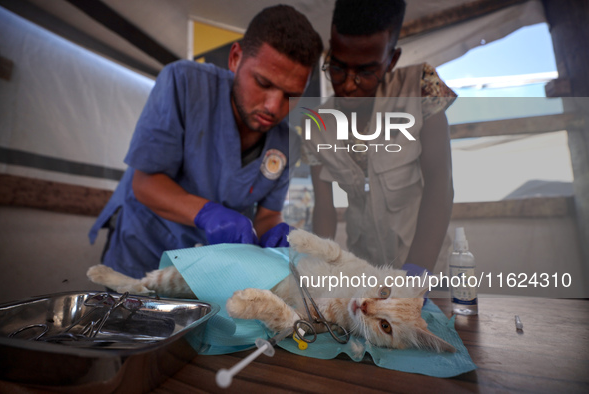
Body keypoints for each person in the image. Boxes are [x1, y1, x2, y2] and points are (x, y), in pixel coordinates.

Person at [89, 5, 323, 278]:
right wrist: (207, 213)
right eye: (262, 82)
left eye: (291, 95)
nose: (273, 106)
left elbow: (268, 215)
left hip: (207, 268)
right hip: (144, 249)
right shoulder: (184, 84)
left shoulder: (287, 142)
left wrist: (277, 233)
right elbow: (144, 183)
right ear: (235, 58)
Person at [304, 0, 456, 275]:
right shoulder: (317, 124)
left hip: (426, 264)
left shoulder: (420, 88)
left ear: (391, 60)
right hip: (364, 269)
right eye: (337, 67)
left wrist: (417, 272)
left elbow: (440, 183)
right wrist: (320, 268)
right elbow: (324, 208)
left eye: (365, 71)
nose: (348, 85)